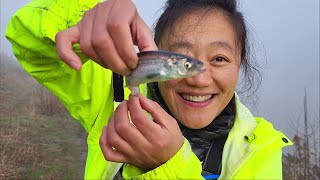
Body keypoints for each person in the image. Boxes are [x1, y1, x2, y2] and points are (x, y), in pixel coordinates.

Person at [6, 0, 292, 179]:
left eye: (219, 59)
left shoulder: (260, 149)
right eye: (184, 58)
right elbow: (29, 46)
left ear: (240, 64)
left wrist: (167, 166)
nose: (199, 80)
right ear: (155, 52)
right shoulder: (114, 96)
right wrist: (85, 15)